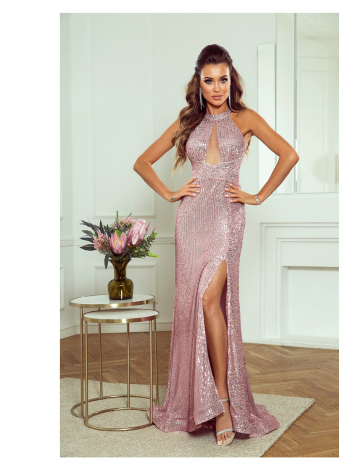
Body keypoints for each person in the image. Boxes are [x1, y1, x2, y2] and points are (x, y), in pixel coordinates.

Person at [133, 44, 299, 447]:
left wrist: (256, 196)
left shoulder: (245, 118)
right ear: (199, 82)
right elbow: (142, 162)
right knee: (195, 304)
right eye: (209, 80)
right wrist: (171, 193)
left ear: (231, 79)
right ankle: (200, 399)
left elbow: (289, 154)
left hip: (227, 218)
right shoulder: (187, 121)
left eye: (223, 79)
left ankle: (222, 401)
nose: (217, 87)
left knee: (211, 298)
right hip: (191, 220)